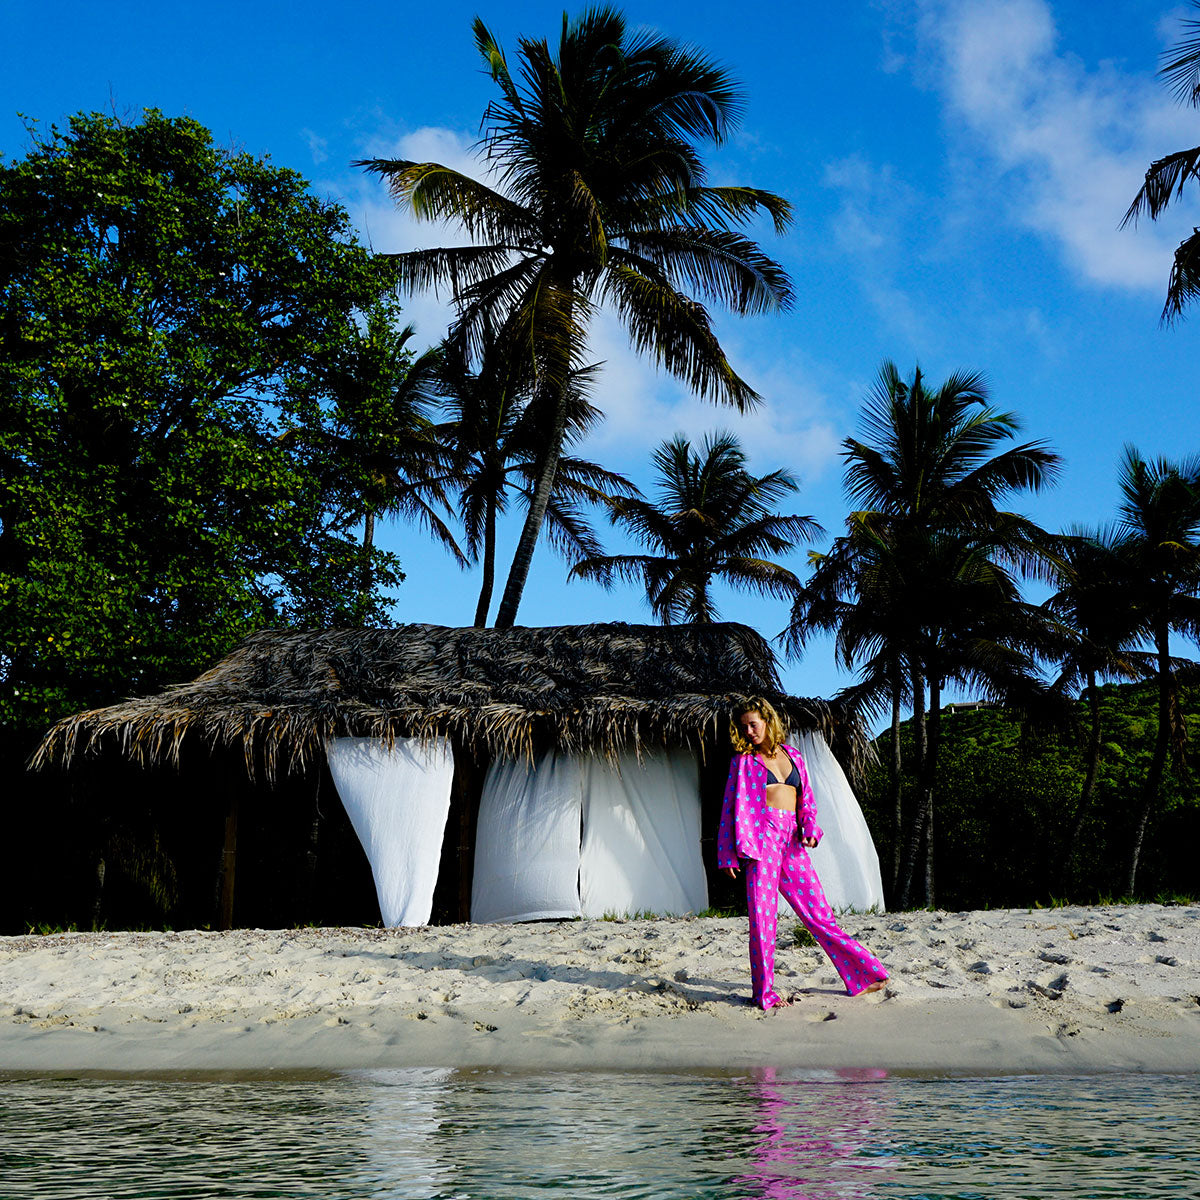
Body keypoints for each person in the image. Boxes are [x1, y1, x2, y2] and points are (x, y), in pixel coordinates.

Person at [717, 696, 888, 1010]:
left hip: (792, 841)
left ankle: (864, 975)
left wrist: (809, 828)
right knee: (762, 920)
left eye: (753, 724)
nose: (749, 732)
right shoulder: (743, 761)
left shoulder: (793, 755)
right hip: (761, 842)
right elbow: (729, 807)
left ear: (767, 721)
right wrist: (727, 854)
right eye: (744, 727)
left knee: (820, 915)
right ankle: (764, 994)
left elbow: (806, 800)